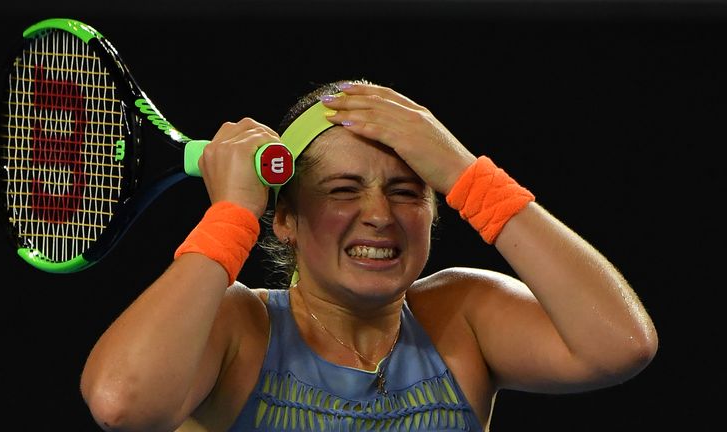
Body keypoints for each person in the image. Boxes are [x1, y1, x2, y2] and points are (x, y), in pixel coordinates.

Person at [80, 79, 658, 432]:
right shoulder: (236, 325)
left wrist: (468, 175)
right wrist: (231, 215)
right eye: (343, 190)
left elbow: (621, 344)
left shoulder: (465, 314)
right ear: (285, 219)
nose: (380, 214)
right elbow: (121, 404)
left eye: (407, 191)